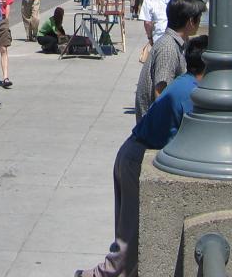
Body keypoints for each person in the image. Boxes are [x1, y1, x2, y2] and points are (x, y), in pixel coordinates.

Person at [77, 35, 209, 277]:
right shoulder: (193, 93)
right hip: (137, 158)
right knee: (131, 239)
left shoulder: (185, 83)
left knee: (130, 235)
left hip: (132, 151)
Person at [135, 0, 205, 122]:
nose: (200, 22)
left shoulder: (175, 43)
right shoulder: (168, 48)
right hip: (157, 127)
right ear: (191, 21)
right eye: (199, 18)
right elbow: (161, 93)